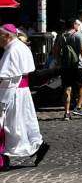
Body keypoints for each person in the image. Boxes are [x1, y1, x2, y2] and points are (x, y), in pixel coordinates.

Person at [0, 24, 50, 170]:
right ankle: (38, 147)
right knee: (24, 122)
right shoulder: (21, 47)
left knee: (7, 125)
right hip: (22, 91)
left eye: (0, 36)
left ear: (7, 36)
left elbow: (5, 74)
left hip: (11, 92)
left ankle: (3, 161)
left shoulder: (12, 50)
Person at [56, 18, 82, 120]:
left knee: (67, 88)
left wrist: (59, 62)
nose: (78, 26)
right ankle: (78, 108)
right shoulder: (78, 35)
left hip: (66, 66)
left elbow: (56, 51)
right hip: (77, 65)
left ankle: (66, 113)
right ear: (74, 25)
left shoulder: (61, 36)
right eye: (77, 24)